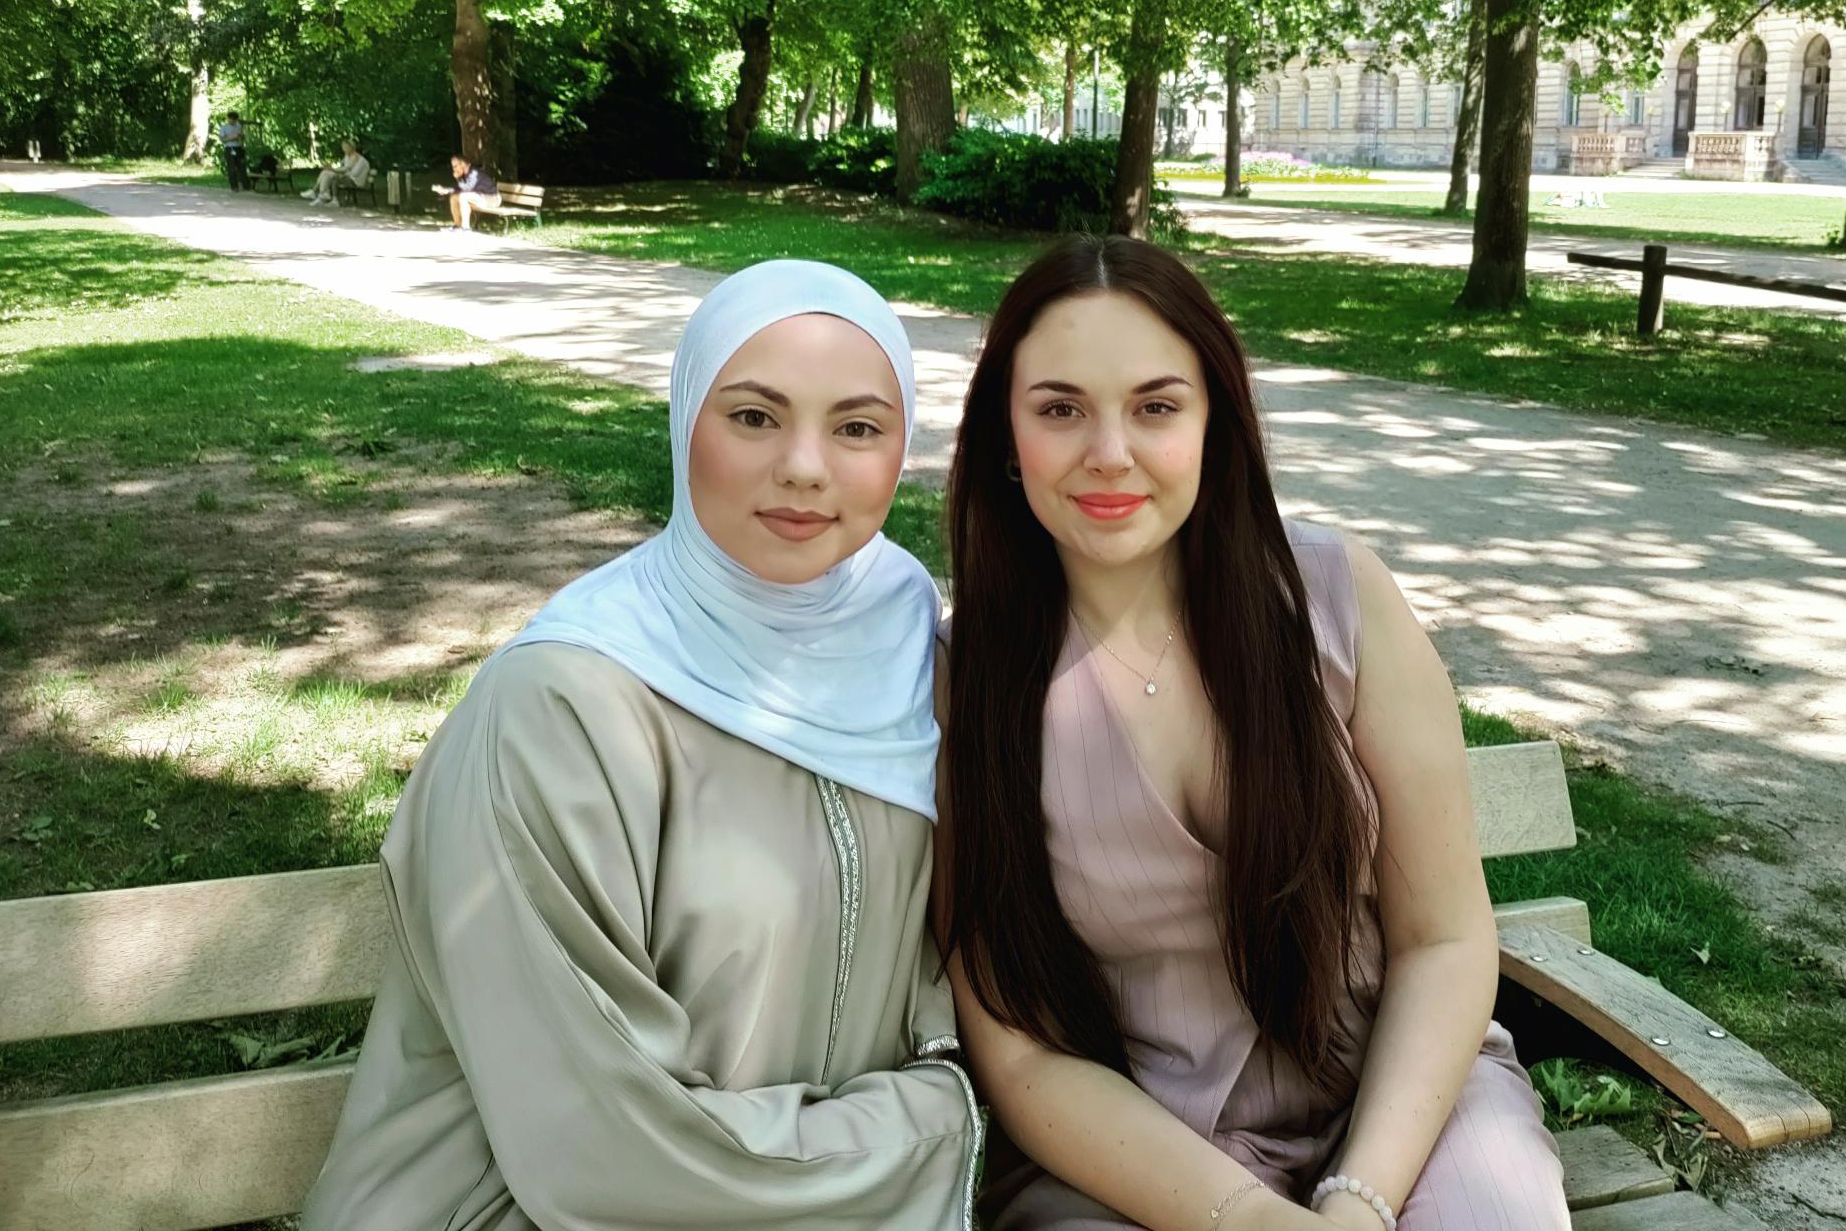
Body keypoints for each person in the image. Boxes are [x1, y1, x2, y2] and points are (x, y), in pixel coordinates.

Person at [300, 260, 982, 1230]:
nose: (803, 465)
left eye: (857, 428)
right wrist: (934, 1126)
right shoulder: (560, 709)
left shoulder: (910, 652)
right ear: (682, 425)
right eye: (752, 416)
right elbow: (605, 1144)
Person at [937, 235, 1572, 1231]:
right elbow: (1019, 1053)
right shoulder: (961, 681)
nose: (1110, 452)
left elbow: (1443, 936)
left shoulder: (1336, 599)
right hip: (1132, 1155)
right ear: (1003, 439)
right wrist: (1247, 1218)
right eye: (1059, 409)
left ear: (1214, 423)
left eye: (1155, 406)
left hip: (1403, 1107)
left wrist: (1359, 1201)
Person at [431, 153, 500, 231]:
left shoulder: (474, 172)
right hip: (479, 197)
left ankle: (465, 228)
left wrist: (458, 179)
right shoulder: (464, 175)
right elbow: (458, 189)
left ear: (463, 164)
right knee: (454, 197)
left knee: (463, 196)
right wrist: (446, 190)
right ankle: (457, 225)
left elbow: (467, 189)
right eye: (453, 167)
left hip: (492, 198)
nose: (454, 169)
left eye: (455, 166)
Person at [301, 139, 371, 207]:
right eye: (343, 147)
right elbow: (341, 167)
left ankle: (323, 195)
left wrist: (332, 170)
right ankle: (321, 194)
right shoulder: (347, 156)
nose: (344, 149)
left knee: (333, 176)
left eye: (345, 147)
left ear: (351, 148)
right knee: (326, 172)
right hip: (348, 177)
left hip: (355, 181)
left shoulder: (355, 157)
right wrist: (331, 169)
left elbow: (346, 170)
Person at [217, 111, 249, 191]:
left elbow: (243, 137)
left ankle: (246, 186)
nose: (232, 121)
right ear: (228, 118)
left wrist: (241, 136)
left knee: (242, 167)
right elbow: (222, 139)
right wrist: (231, 138)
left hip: (239, 148)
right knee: (231, 168)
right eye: (231, 119)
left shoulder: (239, 126)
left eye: (234, 119)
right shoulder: (224, 127)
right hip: (229, 148)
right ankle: (234, 186)